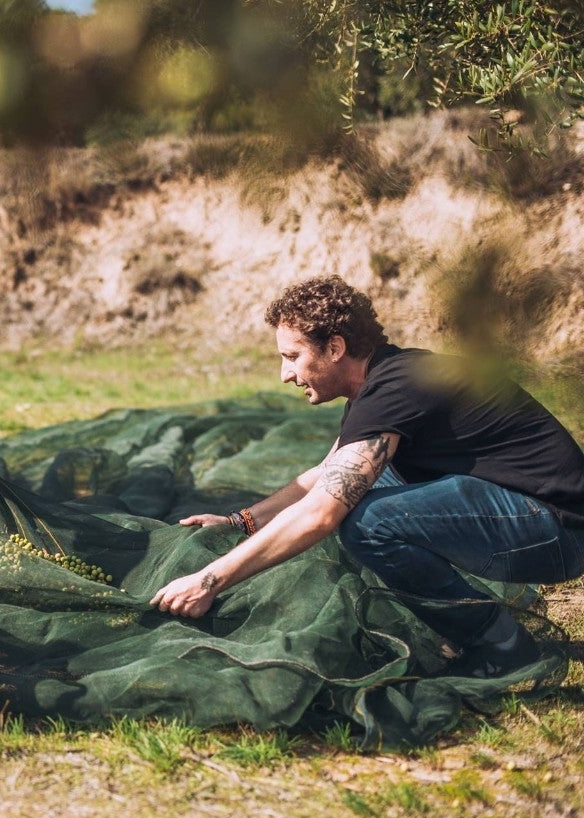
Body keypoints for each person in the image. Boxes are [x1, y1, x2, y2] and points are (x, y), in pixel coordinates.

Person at [150, 274, 584, 678]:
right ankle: (474, 628)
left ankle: (502, 645)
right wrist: (238, 522)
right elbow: (324, 475)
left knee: (367, 522)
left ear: (335, 347)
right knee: (361, 485)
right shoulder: (382, 382)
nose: (285, 374)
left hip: (556, 530)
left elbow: (320, 513)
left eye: (293, 357)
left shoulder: (394, 388)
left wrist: (209, 580)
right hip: (523, 514)